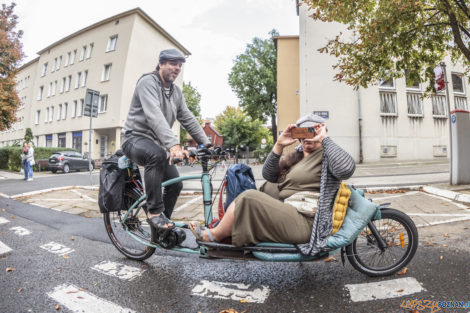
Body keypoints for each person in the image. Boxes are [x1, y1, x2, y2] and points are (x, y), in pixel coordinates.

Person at [190, 113, 356, 256]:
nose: (307, 136)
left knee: (249, 198)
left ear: (321, 131)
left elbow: (346, 169)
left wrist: (324, 139)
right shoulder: (296, 155)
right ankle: (227, 229)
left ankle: (215, 235)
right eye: (302, 131)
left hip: (307, 222)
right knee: (260, 188)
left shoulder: (327, 156)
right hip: (289, 212)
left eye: (312, 130)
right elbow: (268, 175)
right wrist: (279, 145)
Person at [121, 48, 210, 233]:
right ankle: (154, 213)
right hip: (134, 138)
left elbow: (187, 118)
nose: (177, 68)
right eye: (172, 63)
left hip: (156, 144)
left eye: (180, 64)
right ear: (160, 64)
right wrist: (173, 145)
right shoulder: (147, 82)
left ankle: (162, 229)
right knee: (157, 155)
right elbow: (154, 115)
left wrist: (208, 145)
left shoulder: (176, 92)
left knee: (175, 184)